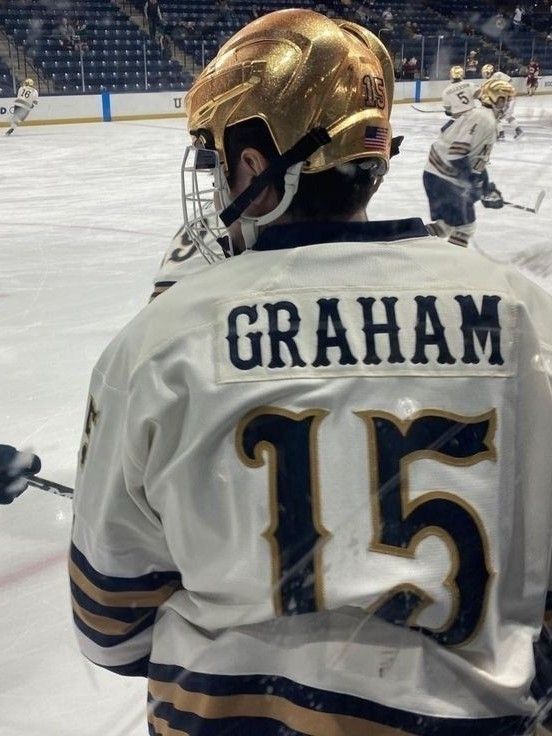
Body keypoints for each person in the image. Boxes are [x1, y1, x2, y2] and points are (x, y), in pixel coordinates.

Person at [69, 9, 552, 736]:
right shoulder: (527, 315)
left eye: (222, 156)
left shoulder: (161, 342)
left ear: (258, 171)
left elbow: (110, 623)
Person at [424, 77, 514, 247]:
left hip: (437, 176)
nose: (508, 105)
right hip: (443, 178)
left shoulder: (484, 117)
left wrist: (486, 187)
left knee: (447, 227)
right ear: (496, 99)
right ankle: (452, 269)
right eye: (506, 100)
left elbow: (476, 162)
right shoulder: (484, 120)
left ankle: (415, 239)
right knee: (466, 227)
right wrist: (474, 183)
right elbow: (456, 155)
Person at [479, 67, 524, 140]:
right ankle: (511, 131)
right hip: (505, 99)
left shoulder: (497, 75)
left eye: (484, 73)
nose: (483, 75)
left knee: (499, 116)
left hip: (507, 99)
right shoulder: (489, 81)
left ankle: (503, 133)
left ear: (489, 72)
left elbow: (509, 80)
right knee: (504, 116)